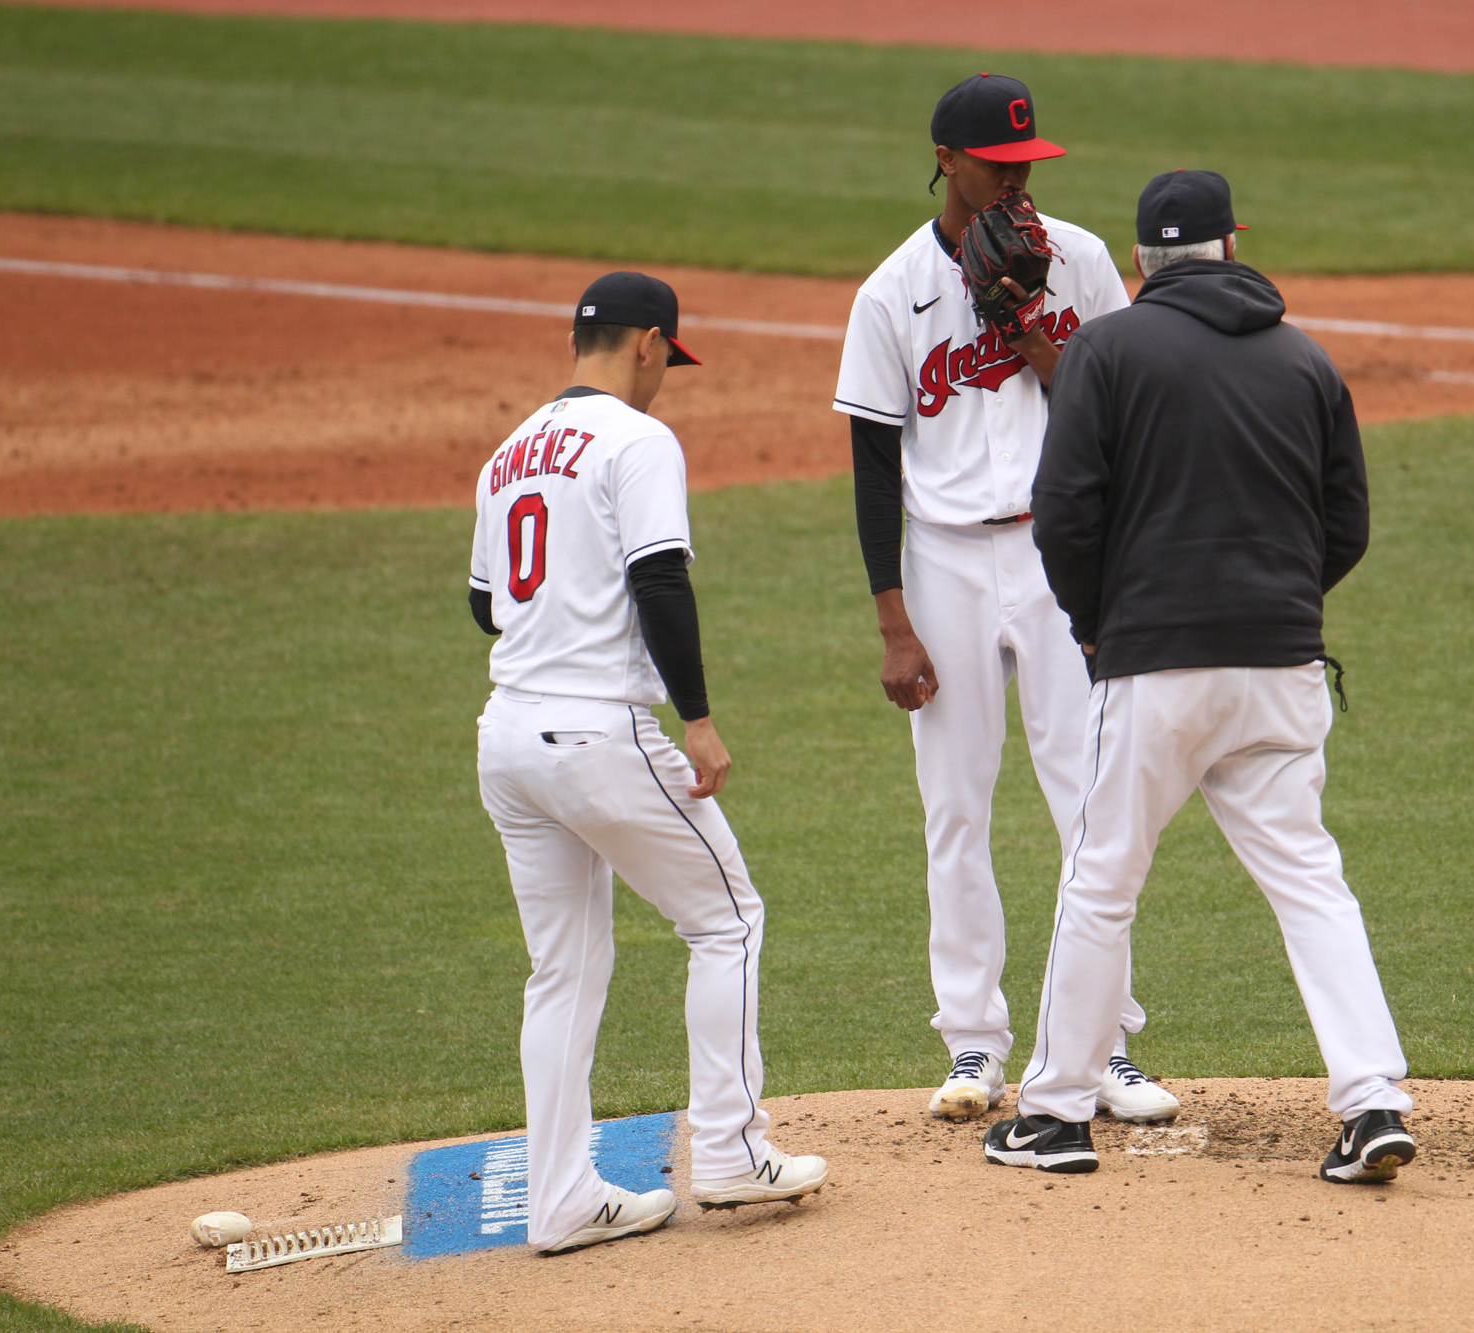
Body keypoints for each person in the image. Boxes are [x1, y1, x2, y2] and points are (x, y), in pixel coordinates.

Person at [982, 170, 1418, 1183]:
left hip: (1154, 665)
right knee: (1310, 883)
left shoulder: (1104, 350)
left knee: (1100, 881)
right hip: (1281, 666)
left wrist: (1097, 626)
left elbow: (1066, 511)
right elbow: (1343, 524)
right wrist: (1278, 603)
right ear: (1234, 245)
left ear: (1139, 261)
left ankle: (1051, 1115)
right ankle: (1372, 1103)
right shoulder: (1303, 359)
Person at [833, 73, 1177, 1124]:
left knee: (1089, 797)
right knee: (955, 805)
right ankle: (973, 1044)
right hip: (939, 565)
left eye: (1026, 165)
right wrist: (893, 620)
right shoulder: (890, 290)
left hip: (1056, 552)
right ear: (944, 159)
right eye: (995, 165)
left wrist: (1028, 321)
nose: (1014, 181)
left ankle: (1101, 1042)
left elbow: (1115, 408)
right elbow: (870, 462)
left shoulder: (1070, 259)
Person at [470, 272, 829, 1254]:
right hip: (598, 733)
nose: (665, 374)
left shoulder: (507, 454)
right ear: (645, 344)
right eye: (667, 355)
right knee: (726, 918)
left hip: (506, 735)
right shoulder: (637, 440)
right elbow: (658, 578)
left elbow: (483, 604)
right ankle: (726, 1149)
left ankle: (562, 1201)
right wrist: (698, 721)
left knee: (562, 971)